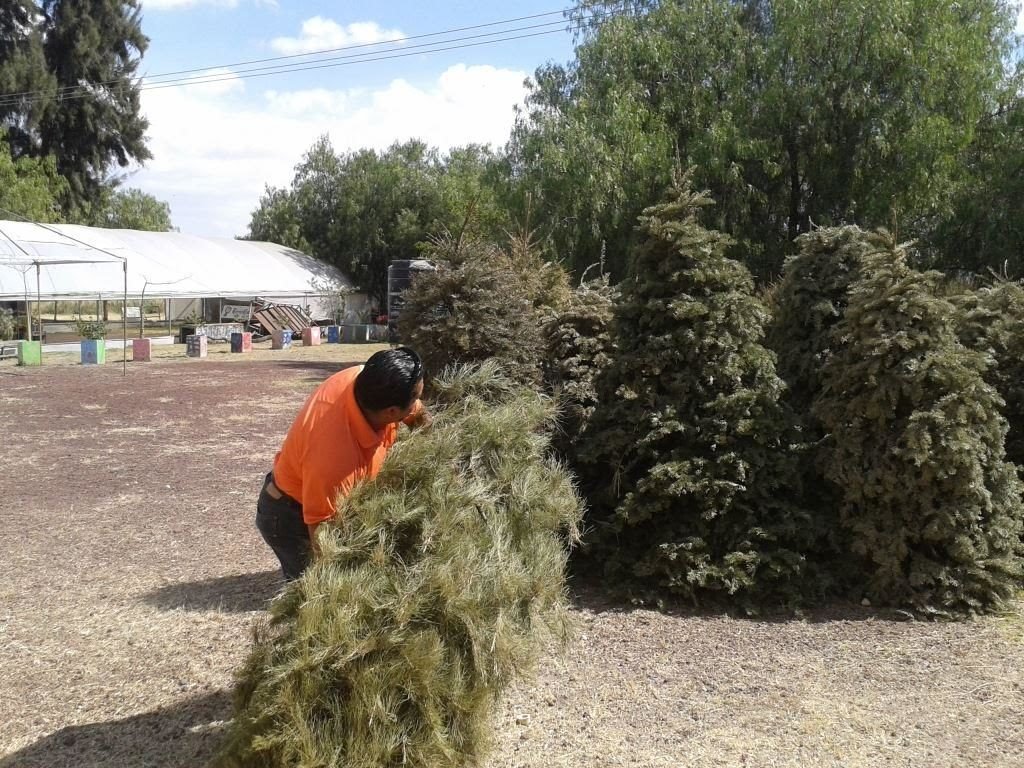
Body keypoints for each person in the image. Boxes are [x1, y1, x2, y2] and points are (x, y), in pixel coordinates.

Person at [256, 346, 427, 580]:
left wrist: (436, 442)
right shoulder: (333, 457)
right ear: (391, 412)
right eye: (416, 397)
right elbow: (322, 533)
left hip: (323, 498)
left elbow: (416, 415)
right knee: (315, 594)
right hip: (291, 518)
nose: (418, 403)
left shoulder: (369, 381)